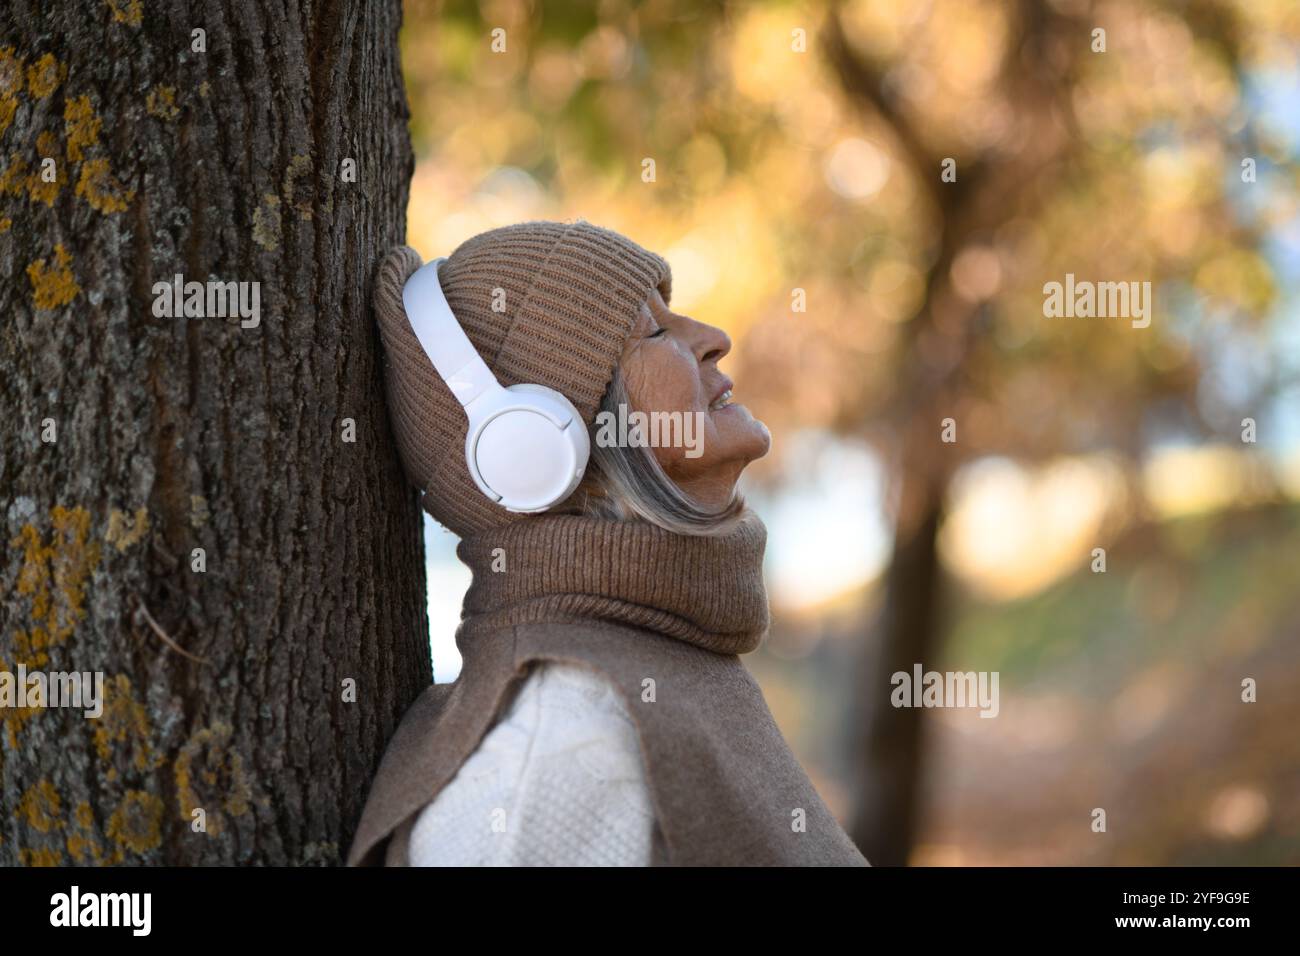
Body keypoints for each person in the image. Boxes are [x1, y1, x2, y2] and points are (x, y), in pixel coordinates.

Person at [347, 219, 868, 867]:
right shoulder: (556, 752)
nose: (714, 339)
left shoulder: (660, 653)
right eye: (652, 333)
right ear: (533, 446)